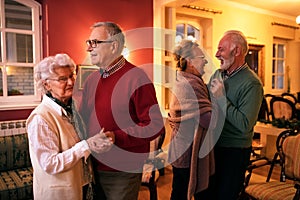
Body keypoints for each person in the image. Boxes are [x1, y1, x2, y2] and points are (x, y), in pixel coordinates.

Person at [79, 21, 165, 200]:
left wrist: (116, 136)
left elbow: (155, 125)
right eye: (89, 43)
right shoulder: (91, 80)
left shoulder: (137, 77)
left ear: (114, 46)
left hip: (122, 170)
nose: (89, 48)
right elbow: (82, 120)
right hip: (91, 167)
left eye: (95, 42)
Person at [26, 53, 112, 200]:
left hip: (84, 184)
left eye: (72, 76)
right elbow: (50, 164)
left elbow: (77, 144)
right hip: (59, 193)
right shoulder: (40, 118)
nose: (71, 82)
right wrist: (86, 145)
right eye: (62, 79)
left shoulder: (73, 107)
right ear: (46, 84)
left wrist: (97, 142)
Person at [209, 30, 264, 200]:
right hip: (212, 147)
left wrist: (221, 99)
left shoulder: (252, 84)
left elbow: (245, 125)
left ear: (237, 51)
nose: (217, 54)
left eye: (221, 49)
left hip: (234, 152)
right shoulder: (218, 74)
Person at [168, 40, 215, 200]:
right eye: (201, 57)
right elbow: (208, 121)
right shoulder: (189, 84)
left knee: (179, 190)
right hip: (185, 152)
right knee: (181, 192)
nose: (205, 61)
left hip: (181, 148)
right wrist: (219, 97)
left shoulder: (187, 80)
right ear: (189, 61)